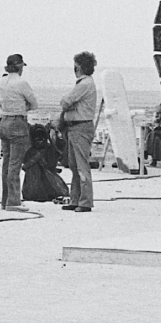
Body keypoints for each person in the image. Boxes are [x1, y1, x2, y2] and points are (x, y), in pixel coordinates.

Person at [59, 51, 101, 212]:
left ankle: (85, 201)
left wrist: (66, 105)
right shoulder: (85, 83)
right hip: (75, 127)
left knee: (81, 166)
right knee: (74, 166)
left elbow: (66, 101)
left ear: (79, 66)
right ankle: (76, 199)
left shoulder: (84, 84)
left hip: (80, 126)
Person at [0, 54, 36, 211]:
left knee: (6, 162)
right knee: (15, 163)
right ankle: (13, 201)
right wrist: (24, 107)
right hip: (17, 121)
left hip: (4, 120)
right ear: (19, 67)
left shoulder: (2, 81)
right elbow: (34, 103)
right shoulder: (21, 82)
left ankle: (6, 199)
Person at [19, 124, 68, 202]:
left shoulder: (49, 150)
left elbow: (53, 163)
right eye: (37, 139)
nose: (39, 142)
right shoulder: (31, 151)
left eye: (41, 139)